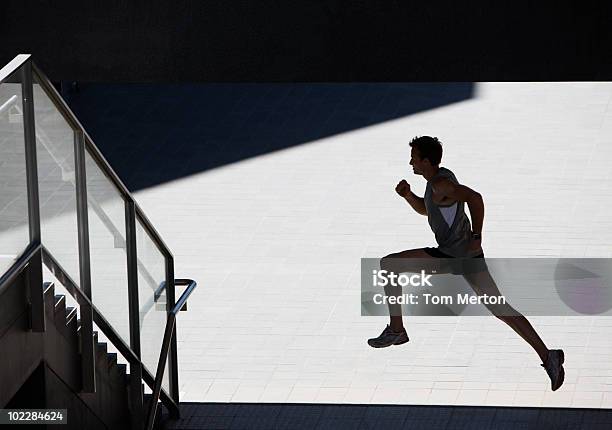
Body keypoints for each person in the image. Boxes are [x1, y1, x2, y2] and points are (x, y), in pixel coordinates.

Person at [367, 136, 565, 391]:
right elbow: (429, 210)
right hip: (463, 258)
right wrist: (408, 195)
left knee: (389, 265)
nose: (410, 162)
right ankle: (549, 357)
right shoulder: (437, 183)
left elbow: (476, 198)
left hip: (453, 257)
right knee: (501, 309)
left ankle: (397, 329)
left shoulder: (441, 185)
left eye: (414, 157)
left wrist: (477, 236)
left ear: (426, 161)